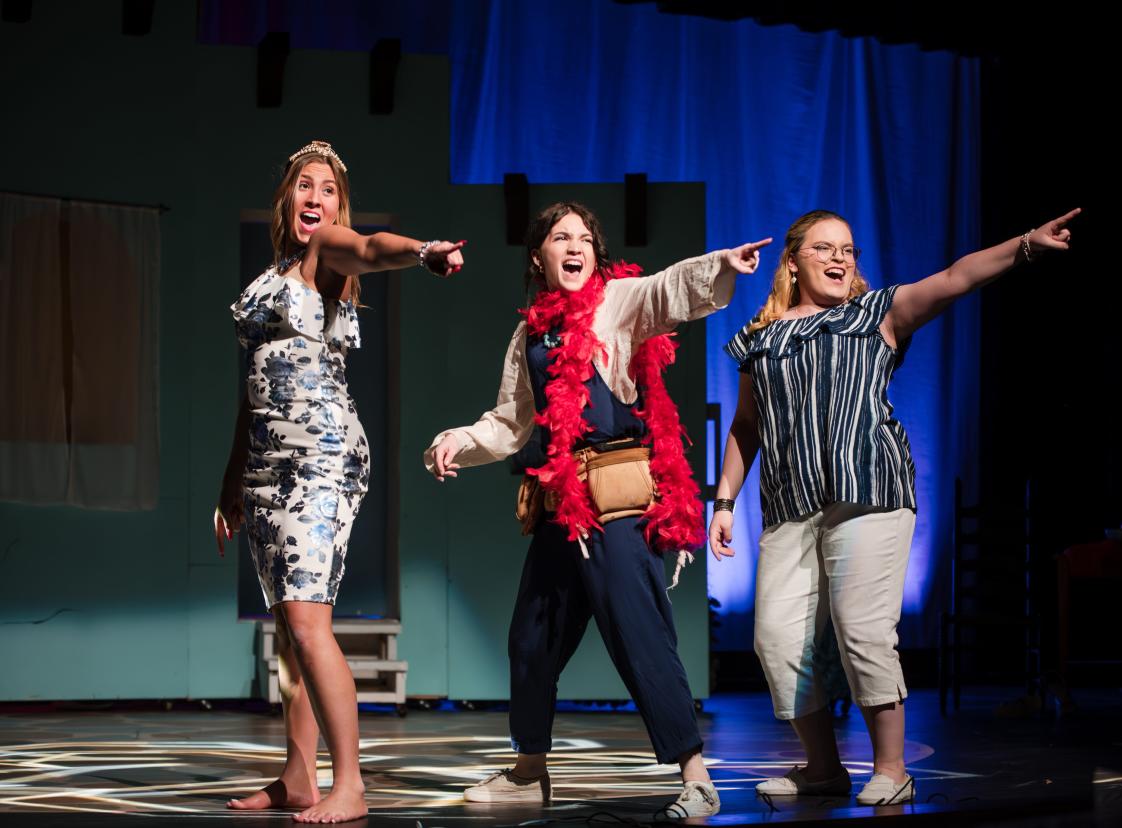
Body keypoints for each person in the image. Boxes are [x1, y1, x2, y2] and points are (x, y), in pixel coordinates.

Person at [710, 207, 1080, 805]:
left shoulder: (874, 313)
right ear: (793, 260)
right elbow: (747, 425)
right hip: (790, 506)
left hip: (871, 494)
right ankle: (824, 769)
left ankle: (891, 768)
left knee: (863, 630)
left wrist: (1026, 246)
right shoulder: (760, 338)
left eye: (848, 250)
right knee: (777, 640)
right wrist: (724, 500)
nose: (838, 259)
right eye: (824, 248)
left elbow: (956, 277)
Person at [426, 201, 770, 817]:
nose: (576, 246)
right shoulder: (529, 333)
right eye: (561, 237)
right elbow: (509, 422)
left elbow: (663, 292)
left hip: (615, 502)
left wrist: (720, 264)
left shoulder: (615, 303)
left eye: (584, 237)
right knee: (530, 637)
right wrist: (457, 439)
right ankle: (530, 770)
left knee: (640, 635)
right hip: (564, 505)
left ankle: (696, 776)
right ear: (539, 256)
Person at [215, 139, 464, 823]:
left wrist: (422, 251)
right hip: (268, 466)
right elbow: (253, 389)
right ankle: (298, 776)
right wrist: (232, 481)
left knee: (307, 618)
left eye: (327, 189)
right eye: (304, 187)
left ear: (336, 207)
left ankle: (349, 782)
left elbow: (373, 246)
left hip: (321, 459)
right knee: (291, 631)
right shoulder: (275, 276)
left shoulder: (328, 252)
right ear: (285, 199)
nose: (315, 199)